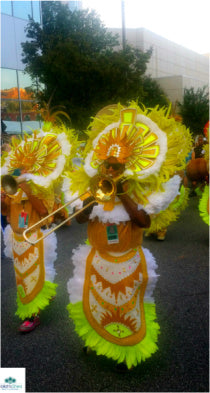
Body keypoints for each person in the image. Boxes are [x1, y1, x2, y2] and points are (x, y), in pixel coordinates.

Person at [65, 103, 192, 371]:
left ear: (126, 168)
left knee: (128, 307)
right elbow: (78, 219)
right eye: (107, 166)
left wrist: (122, 193)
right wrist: (91, 202)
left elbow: (144, 221)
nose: (110, 171)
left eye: (116, 167)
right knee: (93, 301)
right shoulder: (95, 188)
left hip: (128, 261)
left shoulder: (138, 195)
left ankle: (127, 349)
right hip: (97, 259)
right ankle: (96, 341)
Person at [1, 126, 72, 333]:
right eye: (20, 165)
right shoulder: (10, 182)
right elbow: (6, 212)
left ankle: (33, 316)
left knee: (33, 276)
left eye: (26, 166)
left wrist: (27, 189)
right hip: (16, 237)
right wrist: (3, 200)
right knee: (22, 278)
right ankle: (41, 295)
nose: (22, 168)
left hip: (34, 237)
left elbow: (43, 212)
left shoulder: (42, 184)